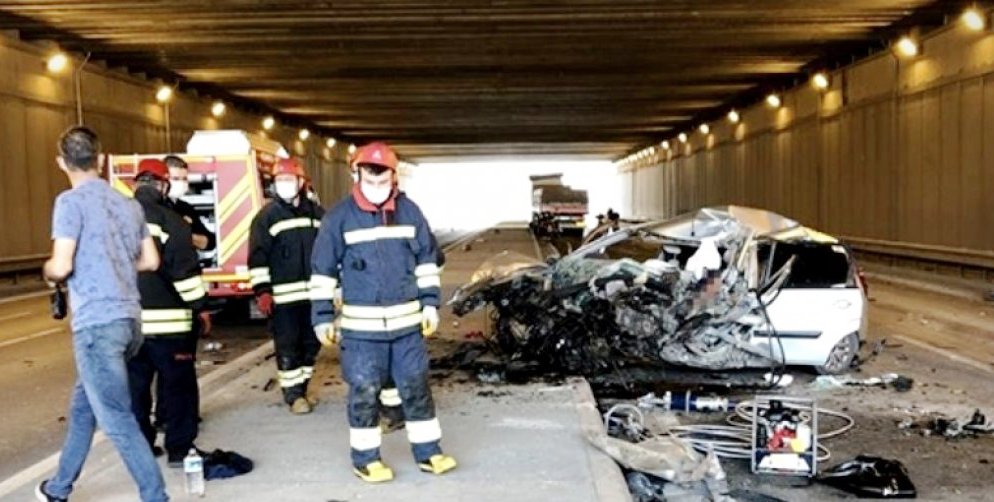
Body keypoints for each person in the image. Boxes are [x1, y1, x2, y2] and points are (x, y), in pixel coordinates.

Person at [311, 142, 456, 483]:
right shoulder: (338, 219)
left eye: (383, 182)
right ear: (356, 174)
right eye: (369, 181)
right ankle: (366, 459)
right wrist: (321, 317)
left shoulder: (410, 213)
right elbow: (322, 272)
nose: (377, 190)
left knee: (416, 387)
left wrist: (431, 305)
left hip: (407, 329)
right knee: (363, 391)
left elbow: (426, 262)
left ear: (394, 177)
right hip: (362, 334)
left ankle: (429, 453)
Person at [38, 126, 168, 502]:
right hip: (130, 321)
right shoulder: (129, 204)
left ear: (61, 162)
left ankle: (156, 496)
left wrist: (48, 271)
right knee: (83, 408)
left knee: (117, 419)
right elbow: (150, 260)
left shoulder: (69, 203)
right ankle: (58, 489)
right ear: (101, 157)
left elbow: (61, 266)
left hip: (97, 326)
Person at [129, 158, 209, 467]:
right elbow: (186, 276)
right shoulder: (172, 220)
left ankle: (140, 450)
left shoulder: (115, 221)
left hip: (130, 325)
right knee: (178, 390)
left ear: (136, 185)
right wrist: (200, 308)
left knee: (136, 391)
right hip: (171, 328)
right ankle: (179, 450)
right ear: (163, 186)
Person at [248, 158, 324, 414]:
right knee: (289, 346)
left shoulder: (316, 214)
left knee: (312, 344)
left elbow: (330, 252)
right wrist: (262, 291)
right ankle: (293, 396)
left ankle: (302, 387)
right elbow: (257, 258)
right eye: (279, 180)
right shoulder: (266, 217)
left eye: (289, 180)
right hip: (284, 299)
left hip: (314, 296)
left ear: (301, 183)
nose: (284, 185)